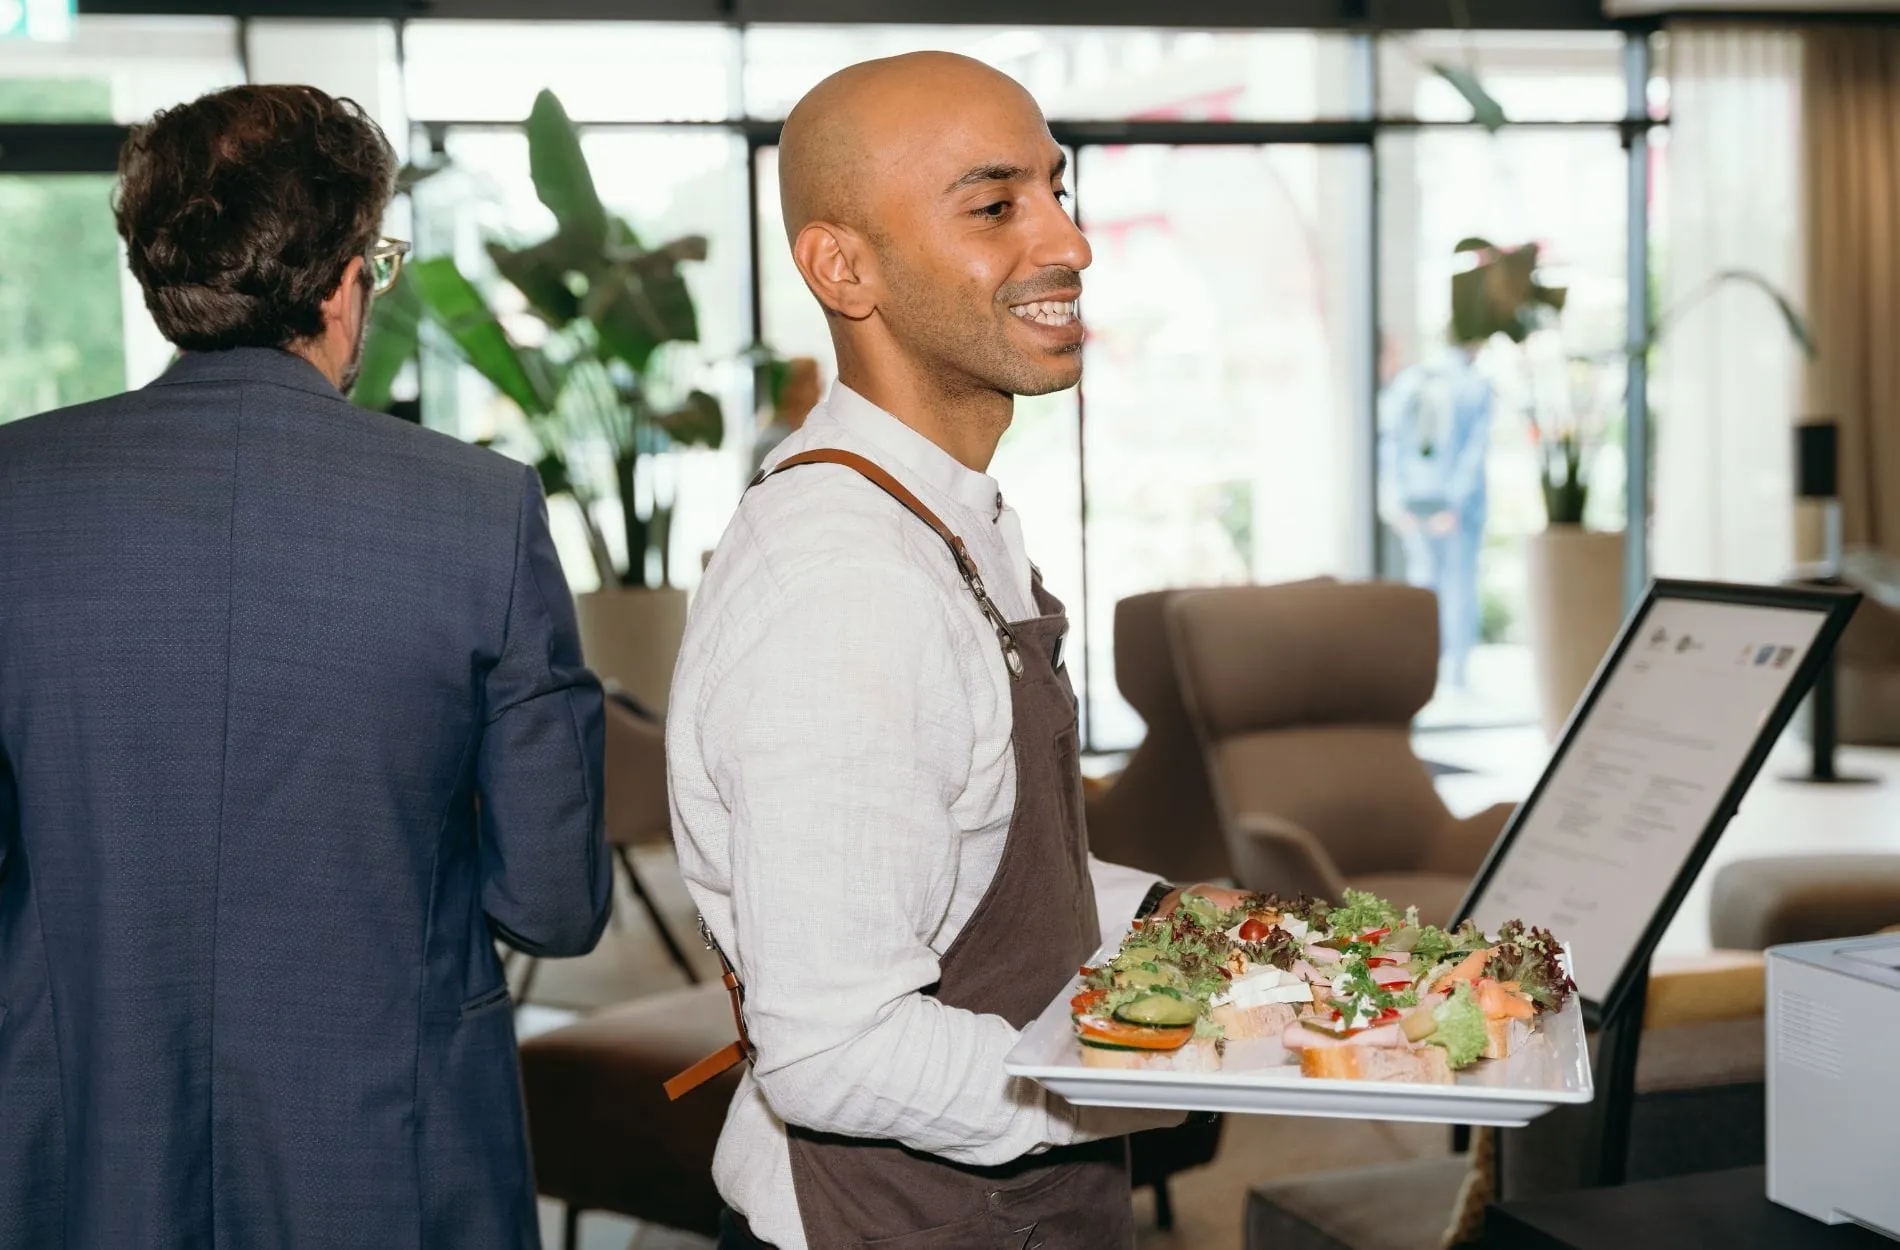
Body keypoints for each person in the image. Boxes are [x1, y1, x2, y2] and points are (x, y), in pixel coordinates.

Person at [0, 85, 609, 1249]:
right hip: (393, 1158)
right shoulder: (478, 510)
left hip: (78, 1151)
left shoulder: (12, 491)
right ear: (341, 277)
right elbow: (556, 902)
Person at [668, 53, 1240, 1250]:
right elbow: (834, 1047)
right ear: (842, 266)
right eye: (994, 207)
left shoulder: (933, 514)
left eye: (1055, 187)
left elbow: (967, 877)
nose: (1068, 242)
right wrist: (1173, 1065)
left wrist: (1189, 923)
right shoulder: (845, 584)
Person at [1378, 339, 1496, 689]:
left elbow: (1390, 445)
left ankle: (1427, 672)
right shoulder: (1474, 386)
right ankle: (1452, 676)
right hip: (1453, 508)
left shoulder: (1411, 380)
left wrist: (1398, 500)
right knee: (1457, 589)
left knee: (1424, 588)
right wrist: (1455, 505)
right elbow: (1475, 453)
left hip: (1418, 503)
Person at [747, 355, 823, 477]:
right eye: (812, 382)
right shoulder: (774, 440)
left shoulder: (811, 431)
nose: (819, 389)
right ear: (792, 389)